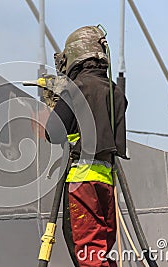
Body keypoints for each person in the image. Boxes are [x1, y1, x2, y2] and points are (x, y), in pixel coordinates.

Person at [45, 26, 128, 267]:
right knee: (101, 252)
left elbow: (53, 133)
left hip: (82, 184)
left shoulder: (77, 88)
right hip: (106, 183)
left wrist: (58, 102)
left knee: (89, 255)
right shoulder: (116, 92)